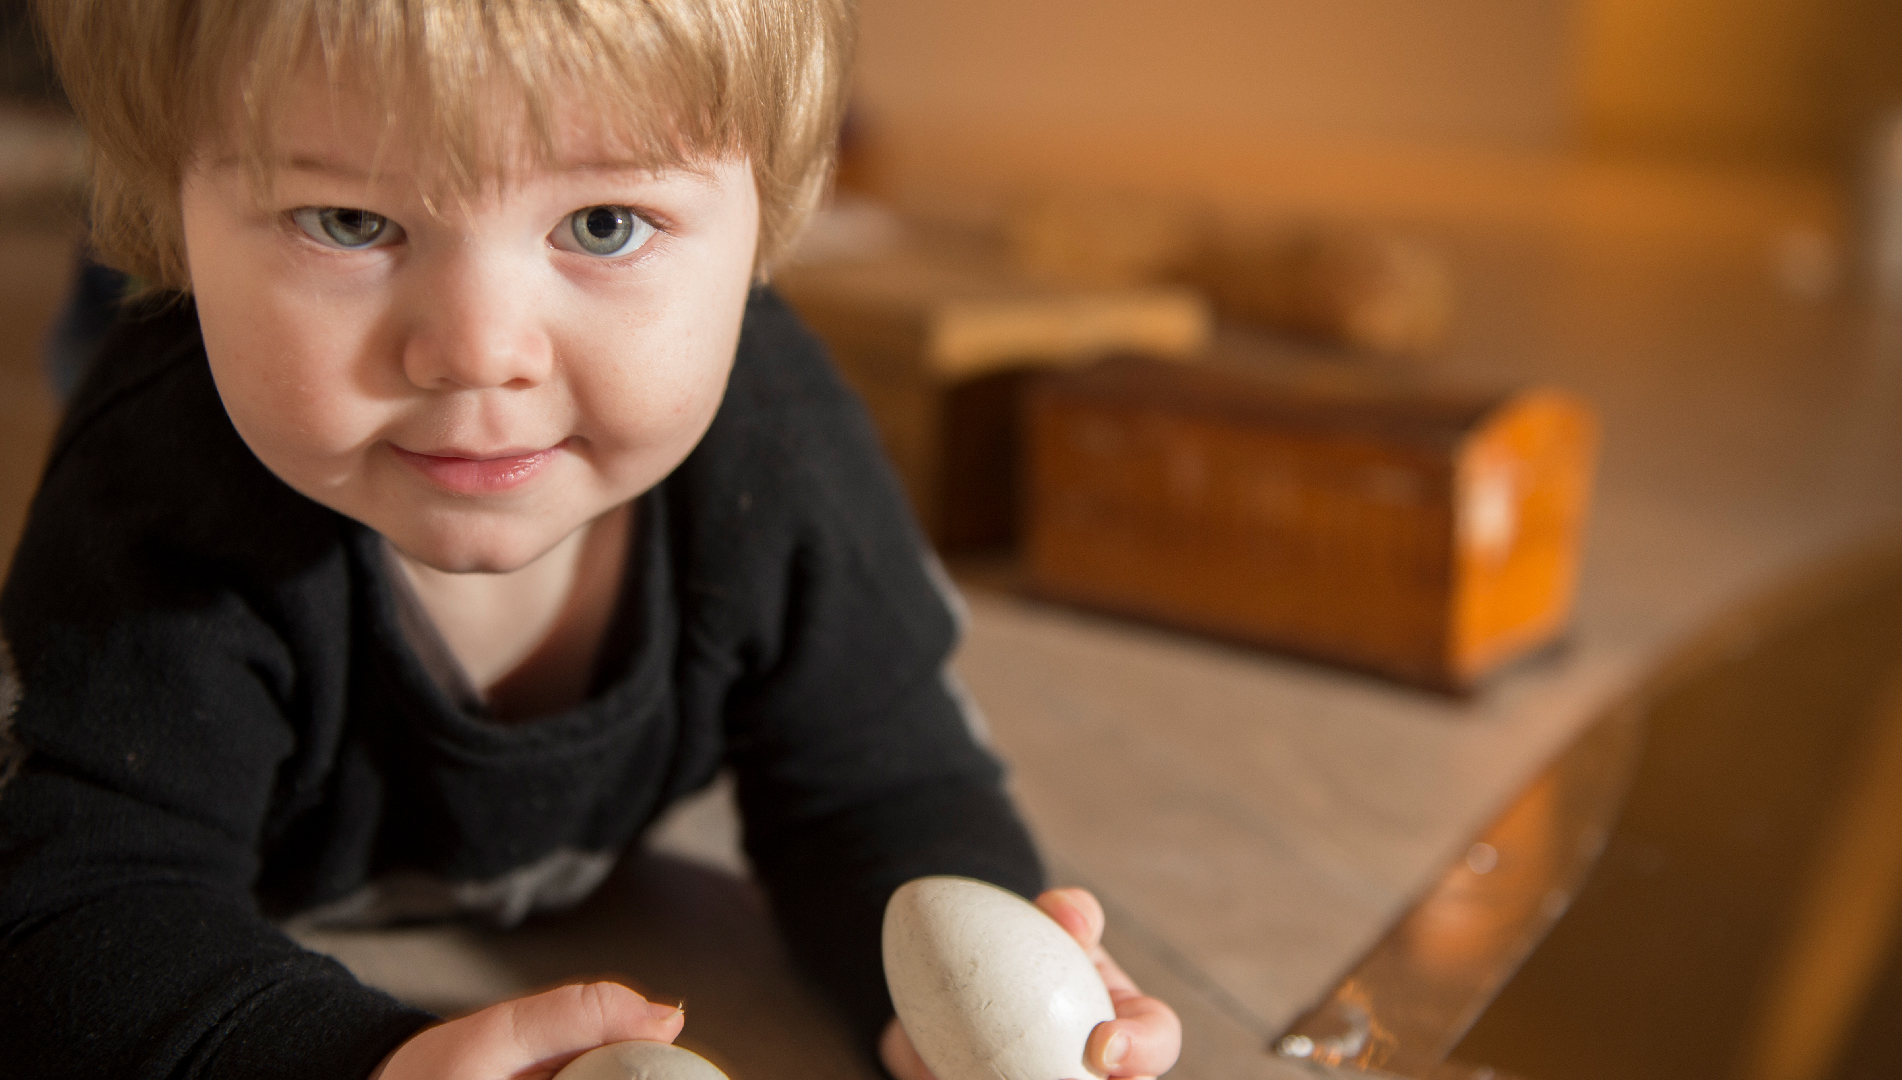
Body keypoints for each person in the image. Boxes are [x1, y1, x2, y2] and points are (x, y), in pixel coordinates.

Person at [0, 2, 1182, 1079]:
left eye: (605, 222)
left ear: (768, 217)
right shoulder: (159, 500)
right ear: (169, 204)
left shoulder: (783, 450)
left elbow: (886, 790)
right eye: (349, 219)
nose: (477, 350)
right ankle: (102, 296)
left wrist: (960, 1006)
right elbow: (72, 909)